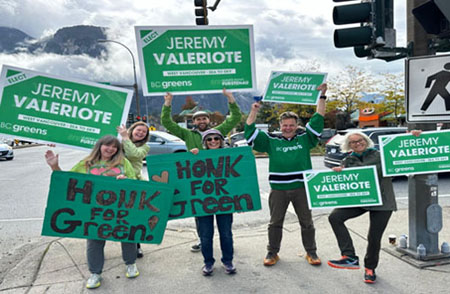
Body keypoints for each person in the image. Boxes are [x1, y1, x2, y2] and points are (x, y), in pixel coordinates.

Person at [245, 83, 328, 267]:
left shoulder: (305, 138)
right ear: (279, 125)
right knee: (275, 223)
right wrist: (254, 111)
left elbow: (318, 117)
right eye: (285, 125)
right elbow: (250, 131)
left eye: (291, 125)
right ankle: (272, 252)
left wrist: (322, 95)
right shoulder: (270, 140)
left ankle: (311, 252)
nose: (288, 128)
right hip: (278, 189)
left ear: (297, 125)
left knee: (307, 222)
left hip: (301, 188)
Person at [327, 130, 422, 283]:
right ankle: (349, 256)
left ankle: (370, 268)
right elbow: (346, 181)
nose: (357, 144)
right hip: (361, 201)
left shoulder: (381, 155)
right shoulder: (348, 160)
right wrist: (338, 171)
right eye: (353, 142)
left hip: (382, 202)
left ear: (366, 141)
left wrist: (413, 136)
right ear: (348, 145)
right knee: (335, 217)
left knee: (374, 237)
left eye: (360, 140)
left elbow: (402, 150)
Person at [45, 135, 139, 289]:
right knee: (94, 241)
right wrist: (54, 166)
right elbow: (70, 181)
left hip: (120, 210)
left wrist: (126, 180)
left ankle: (131, 264)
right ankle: (95, 273)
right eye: (107, 145)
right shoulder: (86, 164)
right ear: (99, 146)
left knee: (127, 236)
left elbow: (135, 182)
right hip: (94, 211)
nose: (110, 149)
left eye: (114, 146)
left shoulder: (123, 162)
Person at [161, 88, 242, 252]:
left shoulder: (218, 132)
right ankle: (202, 240)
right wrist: (168, 103)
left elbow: (235, 118)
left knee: (223, 211)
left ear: (209, 119)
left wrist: (231, 98)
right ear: (193, 122)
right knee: (200, 211)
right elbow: (167, 122)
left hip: (218, 178)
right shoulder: (186, 134)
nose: (201, 121)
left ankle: (226, 240)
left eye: (204, 118)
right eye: (198, 119)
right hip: (198, 180)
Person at [190, 129, 236, 276]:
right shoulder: (198, 156)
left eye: (216, 138)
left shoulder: (229, 155)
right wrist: (192, 156)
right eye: (209, 140)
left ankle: (227, 261)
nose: (213, 141)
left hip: (224, 202)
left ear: (221, 140)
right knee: (205, 235)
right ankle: (208, 262)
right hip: (203, 203)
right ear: (205, 143)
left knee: (226, 234)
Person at [117, 121, 150, 258]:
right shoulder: (118, 141)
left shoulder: (145, 147)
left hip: (133, 184)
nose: (141, 133)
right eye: (139, 129)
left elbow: (133, 155)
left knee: (133, 218)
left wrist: (125, 138)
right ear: (133, 129)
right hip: (116, 182)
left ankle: (136, 246)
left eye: (144, 132)